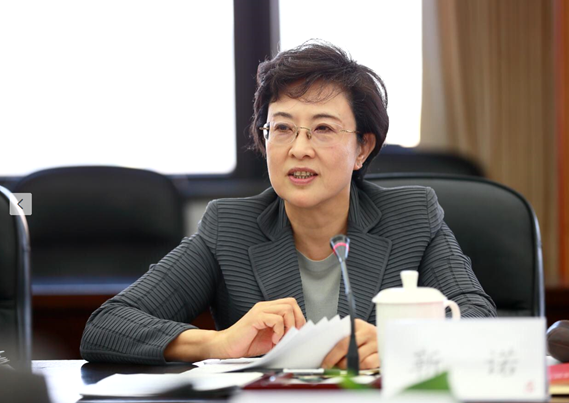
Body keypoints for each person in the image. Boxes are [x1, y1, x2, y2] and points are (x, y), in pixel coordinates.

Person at [80, 40, 496, 369]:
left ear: (362, 148)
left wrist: (401, 343)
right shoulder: (229, 226)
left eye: (323, 129)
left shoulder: (413, 217)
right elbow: (107, 326)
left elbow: (480, 319)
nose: (299, 149)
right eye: (282, 128)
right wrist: (218, 343)